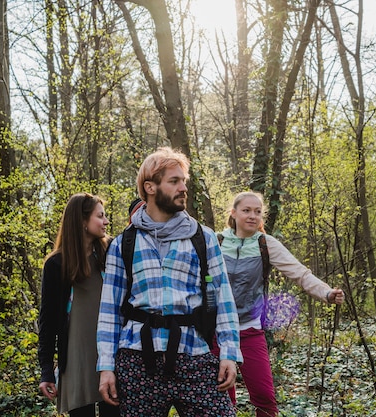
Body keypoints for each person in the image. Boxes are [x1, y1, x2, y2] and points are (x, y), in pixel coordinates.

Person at [96, 147, 243, 417]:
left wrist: (229, 353)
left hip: (193, 353)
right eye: (174, 181)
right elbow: (109, 311)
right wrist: (106, 366)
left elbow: (223, 297)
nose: (183, 188)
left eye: (183, 181)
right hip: (138, 358)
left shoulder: (203, 238)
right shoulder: (123, 244)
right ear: (150, 187)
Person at [215, 191, 345, 417]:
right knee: (221, 400)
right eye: (246, 210)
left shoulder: (266, 244)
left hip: (250, 330)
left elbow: (300, 274)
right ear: (233, 213)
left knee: (265, 400)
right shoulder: (216, 242)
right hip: (216, 331)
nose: (252, 216)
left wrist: (327, 293)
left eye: (257, 211)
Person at [38, 193, 119, 417]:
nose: (106, 221)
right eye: (100, 216)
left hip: (111, 356)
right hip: (76, 359)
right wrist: (46, 370)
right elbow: (48, 321)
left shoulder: (111, 253)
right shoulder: (57, 264)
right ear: (83, 221)